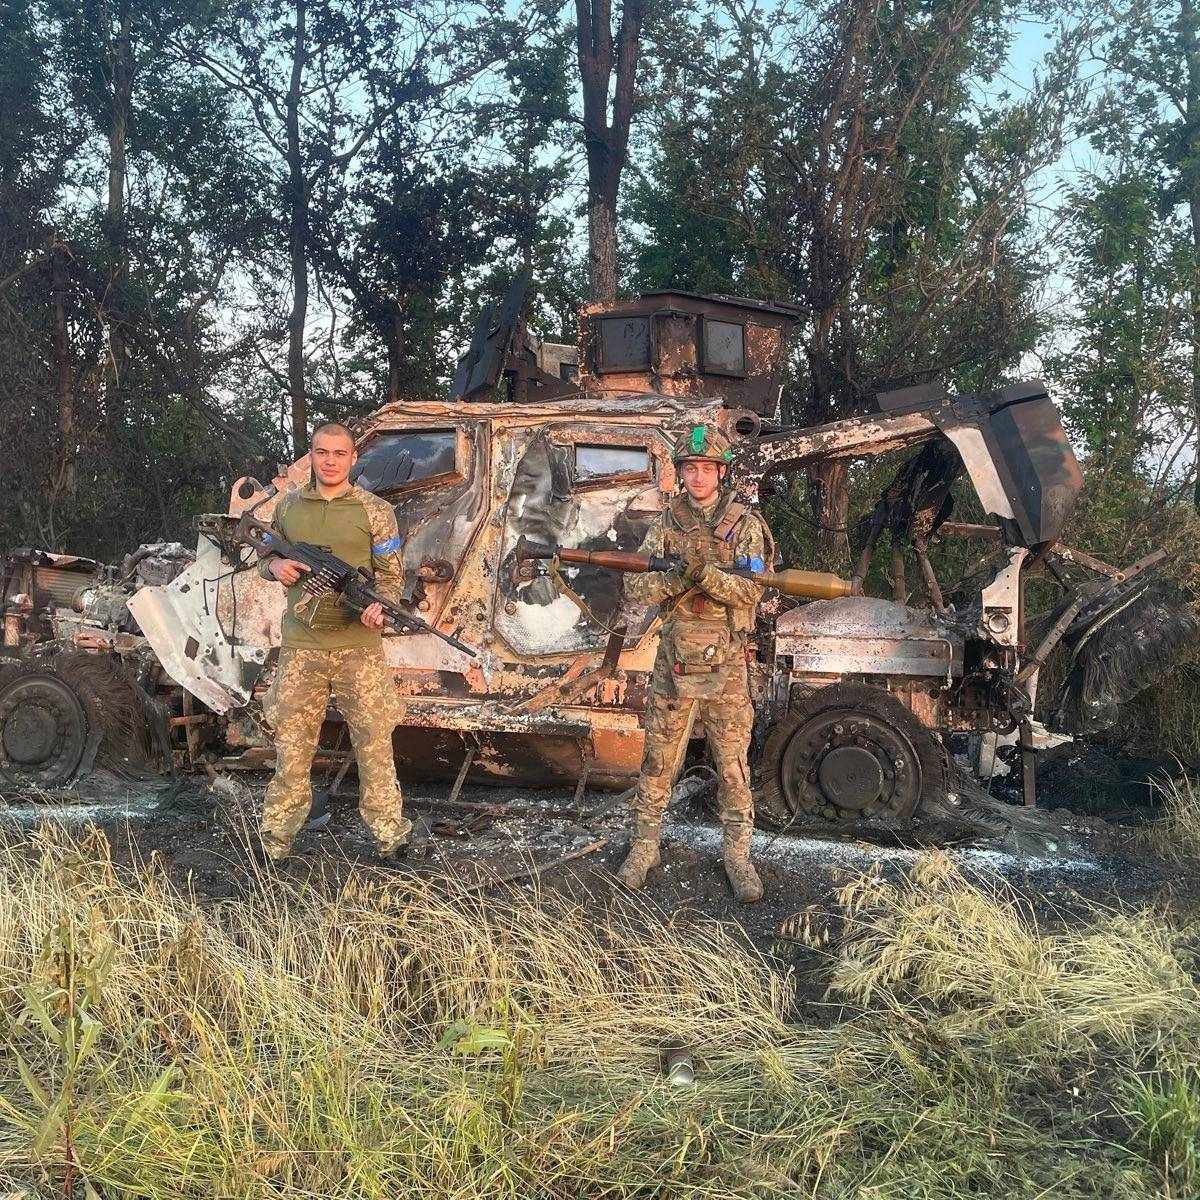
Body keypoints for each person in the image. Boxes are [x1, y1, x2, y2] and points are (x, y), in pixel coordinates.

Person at [618, 423, 774, 903]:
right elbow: (634, 585)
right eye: (690, 468)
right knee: (659, 758)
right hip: (674, 657)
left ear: (720, 473)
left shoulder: (744, 525)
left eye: (707, 468)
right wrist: (671, 581)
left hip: (726, 658)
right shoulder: (665, 524)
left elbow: (753, 588)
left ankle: (738, 856)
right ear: (680, 473)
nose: (699, 477)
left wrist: (705, 576)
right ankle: (644, 848)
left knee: (731, 764)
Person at [255, 422, 410, 861]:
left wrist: (381, 608)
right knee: (291, 746)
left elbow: (391, 575)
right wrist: (275, 568)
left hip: (359, 649)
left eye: (339, 454)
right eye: (322, 452)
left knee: (375, 744)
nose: (330, 461)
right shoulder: (287, 507)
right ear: (312, 455)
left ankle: (389, 836)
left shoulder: (375, 511)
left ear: (353, 458)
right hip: (301, 648)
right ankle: (276, 841)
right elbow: (263, 553)